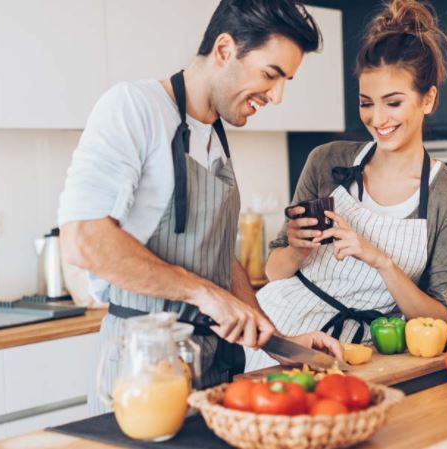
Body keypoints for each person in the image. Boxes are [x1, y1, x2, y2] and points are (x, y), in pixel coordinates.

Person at [57, 0, 343, 413]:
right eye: (270, 75)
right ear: (225, 50)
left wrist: (278, 341)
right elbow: (82, 240)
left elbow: (217, 258)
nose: (277, 96)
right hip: (146, 368)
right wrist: (205, 294)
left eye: (286, 81)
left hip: (214, 367)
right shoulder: (134, 108)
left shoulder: (214, 135)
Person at [246, 0, 447, 371]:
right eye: (366, 103)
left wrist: (380, 260)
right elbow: (273, 270)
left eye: (393, 102)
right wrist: (298, 249)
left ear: (427, 99)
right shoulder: (326, 160)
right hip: (279, 331)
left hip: (364, 350)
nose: (377, 118)